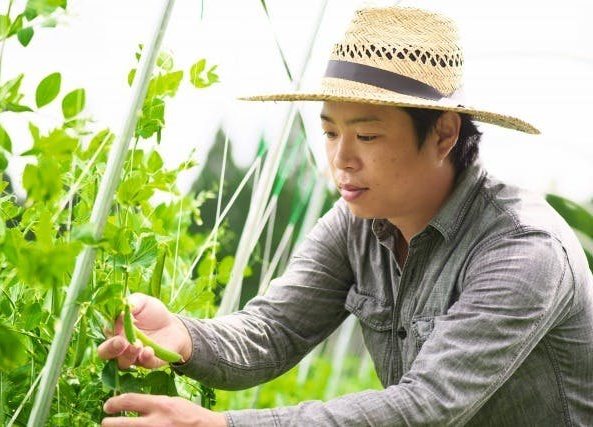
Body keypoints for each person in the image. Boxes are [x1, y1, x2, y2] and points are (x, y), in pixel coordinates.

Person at [97, 6, 593, 426]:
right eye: (331, 132)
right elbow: (273, 331)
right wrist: (182, 335)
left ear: (444, 134)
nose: (340, 160)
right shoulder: (356, 223)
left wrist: (221, 424)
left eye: (367, 136)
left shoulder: (523, 248)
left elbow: (425, 406)